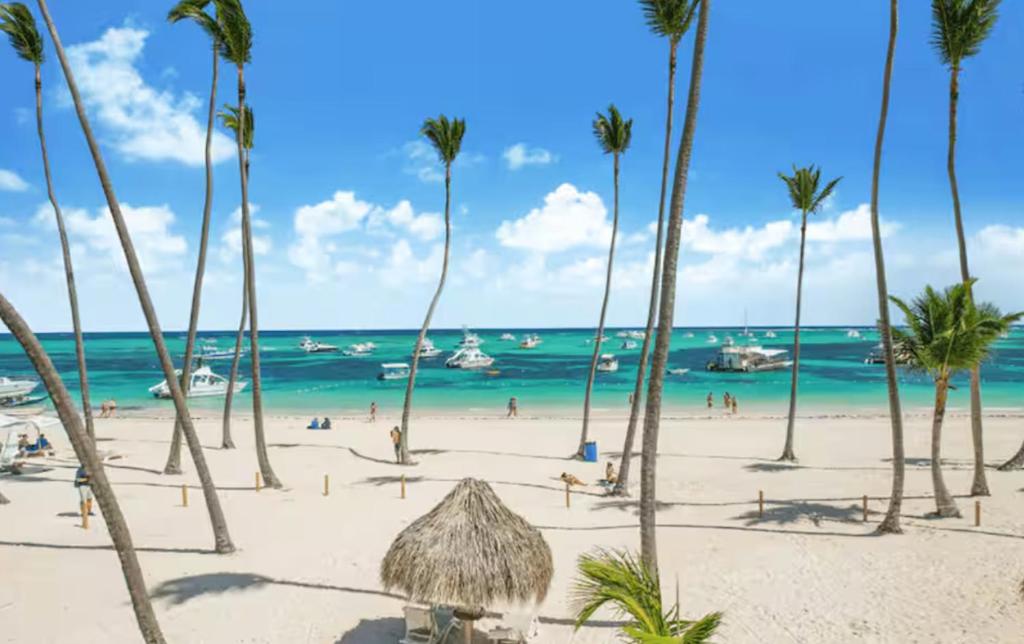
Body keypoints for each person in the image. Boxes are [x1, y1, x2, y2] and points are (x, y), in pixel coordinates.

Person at [74, 464, 93, 528]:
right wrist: (85, 479)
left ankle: (89, 511)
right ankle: (84, 513)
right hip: (82, 486)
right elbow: (77, 479)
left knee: (89, 498)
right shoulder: (80, 470)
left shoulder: (90, 468)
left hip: (89, 485)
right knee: (83, 500)